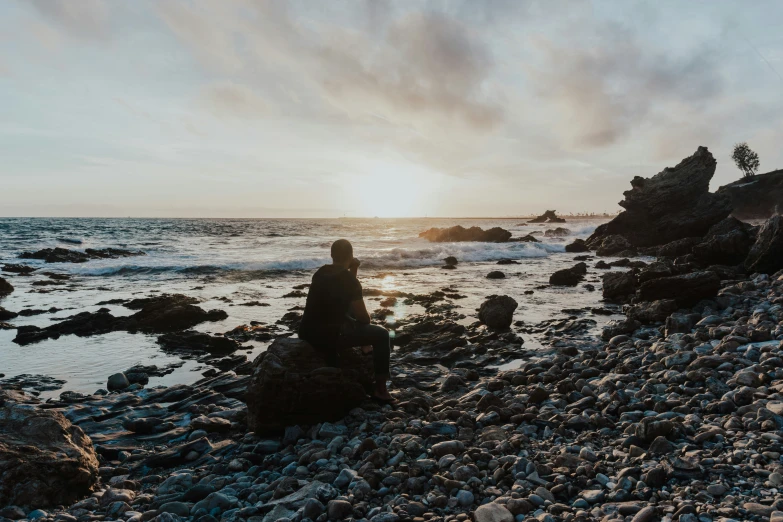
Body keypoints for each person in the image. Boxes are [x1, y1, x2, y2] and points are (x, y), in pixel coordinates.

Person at [298, 239, 395, 403]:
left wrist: (353, 270)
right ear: (351, 256)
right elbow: (363, 316)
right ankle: (381, 390)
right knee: (382, 335)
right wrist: (365, 325)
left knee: (346, 309)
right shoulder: (351, 282)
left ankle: (364, 347)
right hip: (330, 336)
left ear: (331, 255)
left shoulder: (320, 273)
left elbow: (343, 293)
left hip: (307, 332)